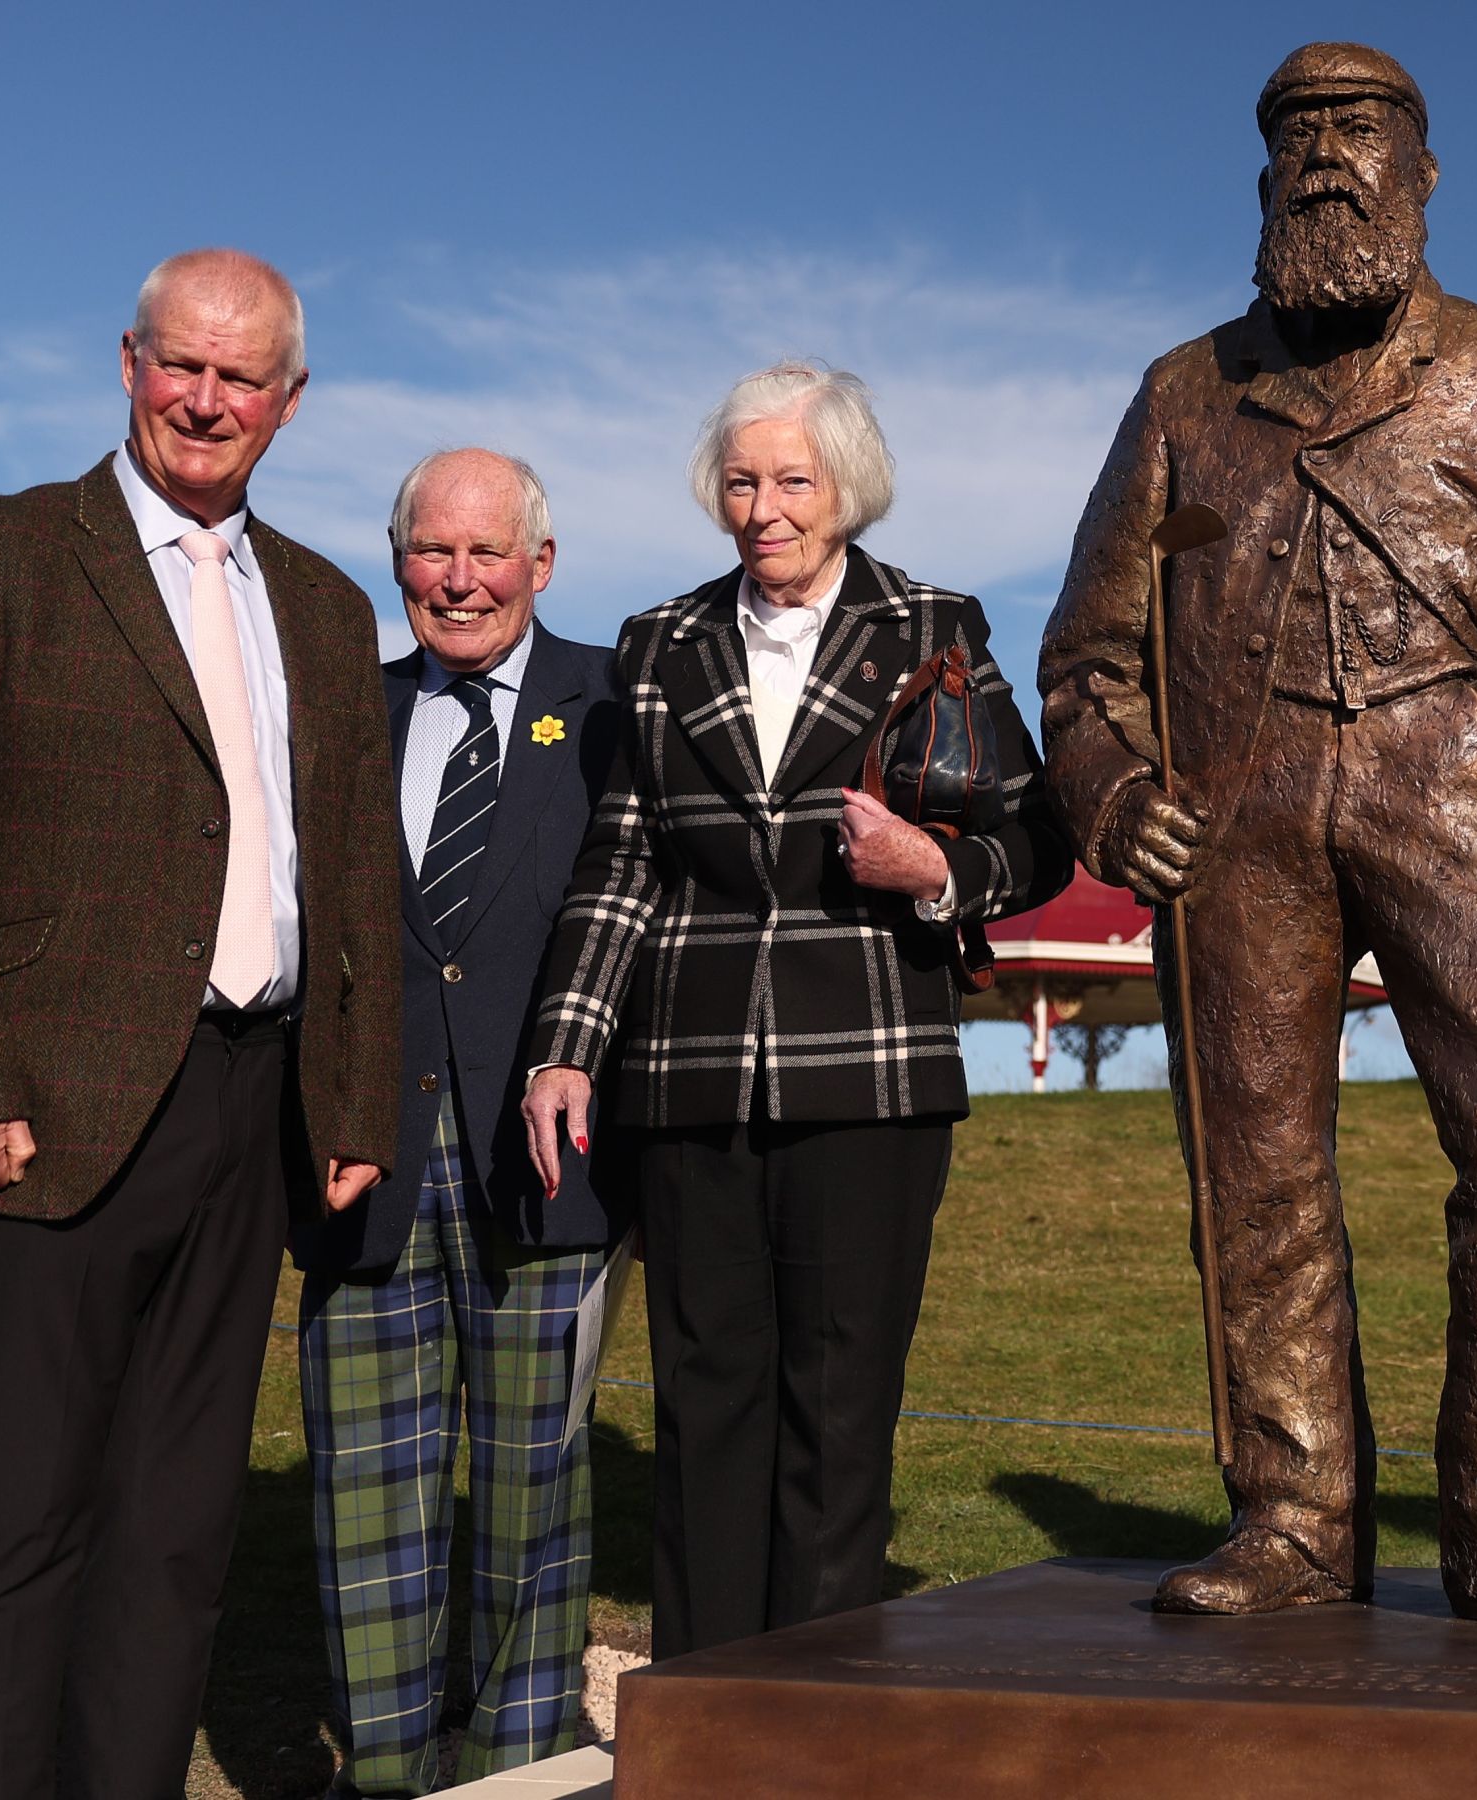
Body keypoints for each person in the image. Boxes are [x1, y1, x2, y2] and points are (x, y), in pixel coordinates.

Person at [1040, 41, 1477, 1638]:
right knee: (1259, 1177)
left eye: (1365, 133)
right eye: (1303, 138)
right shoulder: (1183, 395)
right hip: (1240, 826)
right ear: (1263, 177)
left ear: (1425, 169)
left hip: (1458, 794)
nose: (1333, 161)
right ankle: (1294, 1523)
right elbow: (1085, 658)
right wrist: (1119, 797)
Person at [0, 248, 401, 1798]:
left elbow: (354, 878)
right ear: (128, 363)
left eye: (241, 378)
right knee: (4, 1534)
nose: (204, 400)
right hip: (31, 1118)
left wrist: (351, 1111)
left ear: (290, 403)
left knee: (171, 1546)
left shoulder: (327, 604)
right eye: (180, 364)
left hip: (247, 1118)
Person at [521, 362, 1069, 1658]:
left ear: (848, 490)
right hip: (689, 1081)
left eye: (792, 481)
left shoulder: (937, 630)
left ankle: (819, 1729)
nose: (763, 508)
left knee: (838, 1412)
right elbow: (624, 866)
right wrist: (565, 1049)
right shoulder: (660, 644)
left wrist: (937, 871)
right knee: (706, 1408)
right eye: (742, 480)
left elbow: (1038, 840)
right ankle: (705, 1714)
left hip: (872, 1081)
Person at [293, 449, 627, 1792]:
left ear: (541, 566)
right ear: (398, 563)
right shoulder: (342, 715)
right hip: (361, 1156)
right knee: (367, 1500)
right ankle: (384, 1767)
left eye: (490, 552)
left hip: (545, 1159)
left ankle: (521, 1768)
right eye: (434, 550)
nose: (462, 577)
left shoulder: (610, 702)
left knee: (535, 1497)